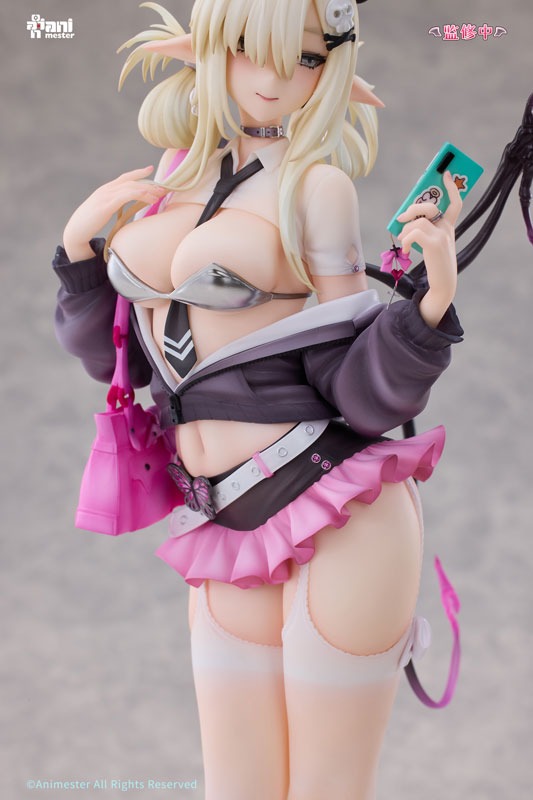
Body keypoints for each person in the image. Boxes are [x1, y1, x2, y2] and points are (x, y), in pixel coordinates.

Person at [53, 1, 464, 797]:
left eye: (306, 57)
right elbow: (118, 362)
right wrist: (79, 252)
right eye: (249, 48)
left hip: (335, 511)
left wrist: (429, 303)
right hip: (224, 522)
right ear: (209, 48)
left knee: (325, 789)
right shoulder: (174, 171)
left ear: (332, 69)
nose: (273, 77)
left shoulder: (317, 187)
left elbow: (355, 388)